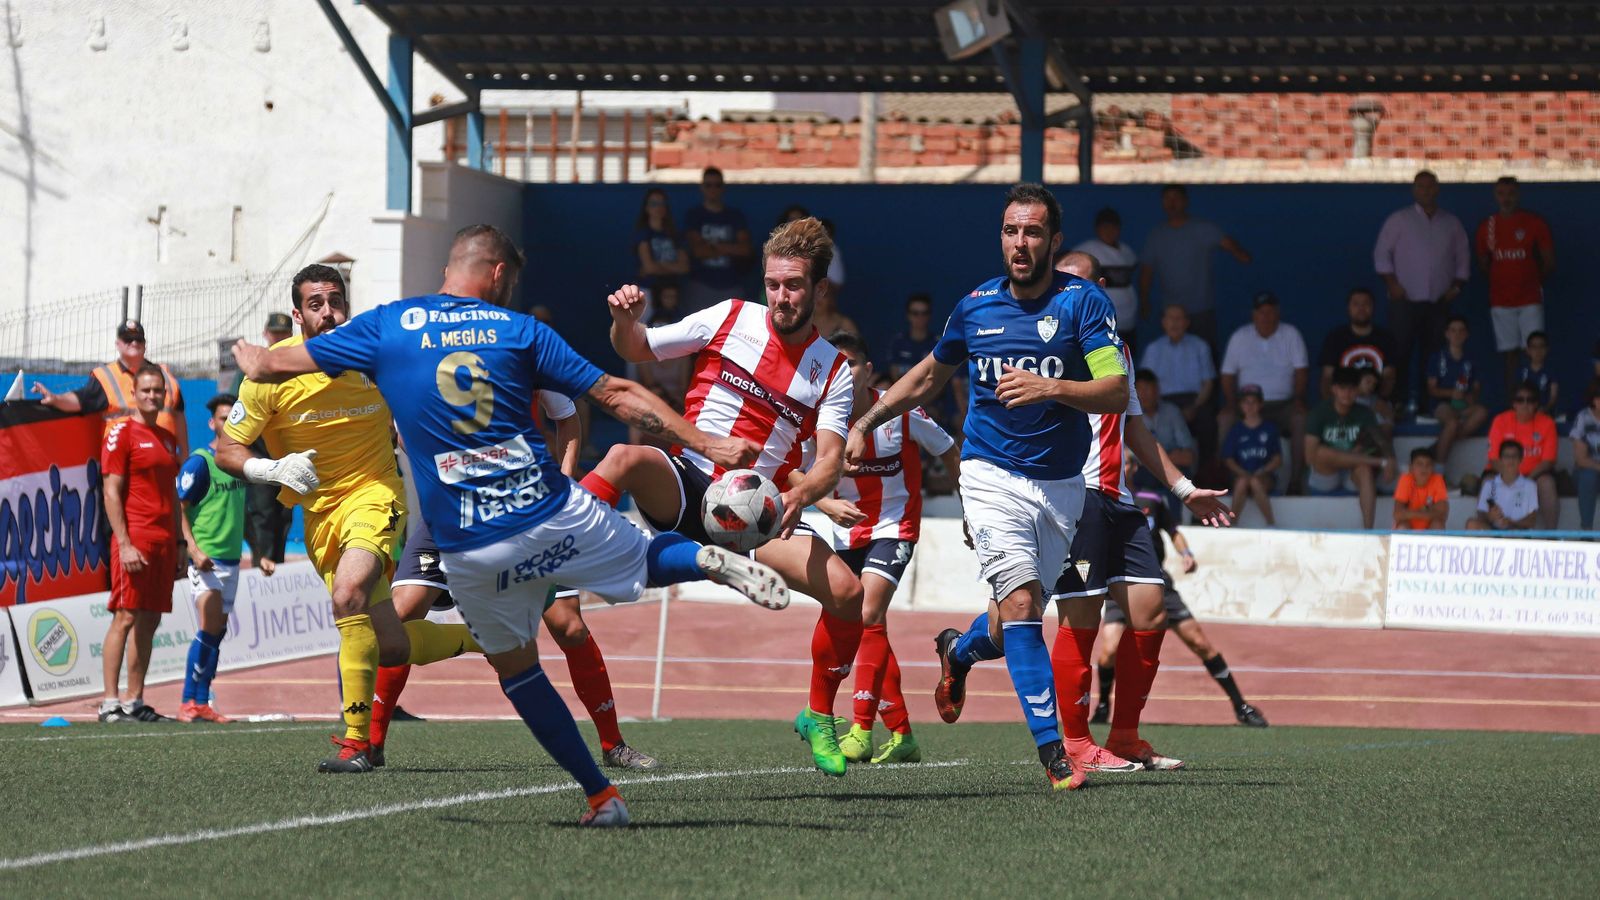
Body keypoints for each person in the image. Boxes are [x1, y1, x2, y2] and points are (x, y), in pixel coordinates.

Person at [234, 224, 788, 827]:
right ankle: (702, 560)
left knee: (520, 673)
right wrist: (704, 440)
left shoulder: (388, 326)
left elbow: (274, 365)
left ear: (452, 267)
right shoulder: (521, 330)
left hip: (470, 544)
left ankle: (601, 798)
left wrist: (256, 359)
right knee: (644, 560)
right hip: (547, 508)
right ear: (499, 275)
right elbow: (617, 394)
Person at [845, 184, 1131, 791]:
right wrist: (869, 419)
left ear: (1054, 241)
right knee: (1025, 606)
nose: (1019, 244)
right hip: (989, 473)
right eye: (1010, 231)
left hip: (1060, 486)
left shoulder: (1084, 303)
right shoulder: (974, 306)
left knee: (1010, 623)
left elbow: (1116, 392)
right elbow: (929, 374)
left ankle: (959, 650)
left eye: (1031, 233)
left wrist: (1051, 387)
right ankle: (1055, 755)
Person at [596, 216, 865, 777]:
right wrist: (625, 321)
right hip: (689, 482)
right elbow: (639, 347)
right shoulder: (729, 316)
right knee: (627, 458)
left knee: (847, 592)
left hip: (759, 514)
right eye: (773, 284)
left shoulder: (833, 370)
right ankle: (557, 539)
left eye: (794, 286)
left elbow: (830, 460)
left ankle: (819, 714)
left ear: (818, 289)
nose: (781, 297)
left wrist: (803, 496)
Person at [217, 264, 484, 774]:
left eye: (335, 301)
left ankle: (356, 742)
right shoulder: (270, 375)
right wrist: (270, 467)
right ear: (298, 315)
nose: (327, 312)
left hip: (376, 495)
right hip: (319, 516)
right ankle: (484, 638)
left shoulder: (376, 358)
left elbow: (418, 414)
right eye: (315, 304)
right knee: (393, 641)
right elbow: (227, 448)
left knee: (348, 596)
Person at [371, 391, 661, 771]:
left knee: (569, 627)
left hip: (525, 510)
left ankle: (613, 744)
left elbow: (568, 420)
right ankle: (370, 743)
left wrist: (564, 481)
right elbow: (405, 431)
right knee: (402, 616)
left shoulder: (524, 348)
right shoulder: (435, 355)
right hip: (454, 510)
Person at [811, 332, 960, 767]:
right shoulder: (819, 422)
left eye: (851, 365)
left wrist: (971, 508)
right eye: (835, 365)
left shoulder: (901, 413)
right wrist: (824, 502)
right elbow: (796, 475)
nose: (844, 372)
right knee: (859, 628)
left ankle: (861, 729)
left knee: (867, 614)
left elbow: (951, 451)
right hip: (846, 533)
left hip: (896, 528)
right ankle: (902, 732)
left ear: (868, 371)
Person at [1089, 464, 1266, 730]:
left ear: (1134, 467)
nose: (1122, 467)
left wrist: (1186, 553)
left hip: (1157, 584)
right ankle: (1103, 706)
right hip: (1118, 585)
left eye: (1126, 462)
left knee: (1200, 643)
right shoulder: (1100, 499)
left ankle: (1241, 705)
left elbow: (1173, 532)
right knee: (1108, 652)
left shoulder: (1153, 500)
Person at [97, 364, 181, 723]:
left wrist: (180, 544)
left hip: (164, 543)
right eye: (145, 391)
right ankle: (110, 702)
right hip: (135, 539)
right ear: (134, 393)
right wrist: (125, 542)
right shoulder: (120, 434)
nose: (151, 397)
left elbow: (175, 497)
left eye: (157, 391)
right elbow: (111, 492)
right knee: (125, 616)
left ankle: (135, 699)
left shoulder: (168, 439)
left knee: (149, 621)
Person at [176, 393, 253, 723]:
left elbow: (240, 512)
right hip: (205, 559)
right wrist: (193, 549)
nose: (228, 423)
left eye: (234, 417)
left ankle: (202, 699)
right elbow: (179, 507)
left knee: (217, 632)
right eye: (223, 418)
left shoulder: (239, 460)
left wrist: (258, 552)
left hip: (232, 559)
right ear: (212, 422)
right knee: (208, 628)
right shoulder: (200, 462)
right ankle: (188, 701)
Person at [1374, 170, 1471, 410]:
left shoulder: (1452, 223)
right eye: (1421, 187)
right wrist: (1392, 285)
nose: (1426, 191)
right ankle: (1397, 403)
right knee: (1400, 354)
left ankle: (1430, 406)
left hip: (1438, 302)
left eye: (1430, 186)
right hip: (1404, 300)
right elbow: (1381, 255)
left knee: (1434, 357)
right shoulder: (1399, 220)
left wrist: (1456, 288)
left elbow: (1463, 260)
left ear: (1437, 189)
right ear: (1413, 190)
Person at [33, 319, 188, 454]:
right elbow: (81, 400)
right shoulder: (106, 377)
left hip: (163, 458)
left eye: (138, 339)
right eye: (128, 339)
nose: (134, 343)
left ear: (145, 345)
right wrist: (55, 398)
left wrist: (184, 455)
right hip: (124, 463)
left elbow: (178, 416)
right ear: (118, 344)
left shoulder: (165, 375)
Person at [1137, 184, 1251, 348]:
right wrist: (1144, 300)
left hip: (1201, 310)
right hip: (1171, 311)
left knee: (1206, 357)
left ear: (1185, 201)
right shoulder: (1157, 235)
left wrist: (1240, 254)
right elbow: (1146, 271)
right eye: (1167, 199)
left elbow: (1227, 243)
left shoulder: (1203, 228)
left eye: (1176, 198)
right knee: (1173, 358)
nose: (1172, 203)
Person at [1218, 292, 1308, 491]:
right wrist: (1232, 403)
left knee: (1300, 418)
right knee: (1225, 418)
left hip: (1282, 403)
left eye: (1270, 311)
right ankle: (1225, 481)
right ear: (1254, 314)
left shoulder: (1290, 334)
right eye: (1261, 312)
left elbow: (1301, 371)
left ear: (1278, 313)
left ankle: (1295, 481)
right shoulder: (1240, 337)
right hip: (1247, 404)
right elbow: (1227, 374)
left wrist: (1299, 399)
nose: (1266, 316)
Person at [1476, 176, 1555, 392]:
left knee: (1535, 351)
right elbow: (1484, 264)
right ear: (1495, 196)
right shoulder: (1487, 227)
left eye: (1510, 193)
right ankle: (1514, 402)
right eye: (1501, 193)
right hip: (1501, 301)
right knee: (1509, 354)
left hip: (1530, 299)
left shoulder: (1534, 223)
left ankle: (1538, 400)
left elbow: (1549, 262)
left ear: (1518, 195)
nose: (1506, 198)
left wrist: (1531, 282)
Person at [235, 313, 294, 575]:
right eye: (275, 333)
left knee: (283, 517)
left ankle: (277, 571)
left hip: (289, 457)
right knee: (262, 517)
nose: (278, 338)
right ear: (265, 334)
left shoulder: (298, 364)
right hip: (261, 457)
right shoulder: (251, 367)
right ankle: (263, 570)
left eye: (284, 333)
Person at [1305, 367, 1396, 529]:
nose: (1347, 394)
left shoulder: (1364, 412)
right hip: (1326, 476)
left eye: (1352, 389)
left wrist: (1389, 459)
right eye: (1342, 389)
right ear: (1334, 390)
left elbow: (1380, 440)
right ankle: (1376, 461)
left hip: (1351, 475)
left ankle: (1368, 530)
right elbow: (1309, 456)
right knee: (1321, 452)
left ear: (1357, 390)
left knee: (1365, 469)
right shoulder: (1319, 413)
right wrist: (1349, 456)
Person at [1139, 303, 1216, 462]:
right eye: (1170, 318)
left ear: (1187, 322)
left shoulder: (1200, 346)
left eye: (1179, 318)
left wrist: (1194, 407)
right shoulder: (1153, 349)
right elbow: (1144, 384)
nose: (1174, 323)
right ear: (1163, 322)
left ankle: (1207, 471)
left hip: (1194, 401)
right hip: (1161, 401)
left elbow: (1208, 382)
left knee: (1207, 420)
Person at [1486, 383, 1560, 529]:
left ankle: (1552, 537)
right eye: (1520, 400)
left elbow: (1548, 461)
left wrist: (1524, 480)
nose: (1525, 404)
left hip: (1535, 474)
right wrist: (1511, 478)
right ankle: (1485, 531)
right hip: (1503, 472)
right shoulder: (1500, 420)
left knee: (1547, 483)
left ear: (1536, 404)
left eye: (1530, 400)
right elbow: (1494, 458)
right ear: (1514, 403)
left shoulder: (1547, 423)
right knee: (1487, 482)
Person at [886, 293, 963, 431]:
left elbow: (940, 383)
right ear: (908, 315)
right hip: (901, 405)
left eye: (924, 313)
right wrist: (909, 407)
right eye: (915, 313)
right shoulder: (898, 342)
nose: (920, 318)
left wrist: (920, 407)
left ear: (930, 315)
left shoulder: (938, 343)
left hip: (933, 408)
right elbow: (894, 378)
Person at [682, 167, 753, 312]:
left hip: (731, 284)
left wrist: (714, 247)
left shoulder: (735, 216)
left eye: (717, 185)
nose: (713, 189)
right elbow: (698, 251)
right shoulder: (694, 215)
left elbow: (745, 250)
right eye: (708, 185)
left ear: (723, 188)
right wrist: (730, 248)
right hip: (701, 285)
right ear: (702, 188)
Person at [1318, 287, 1398, 410]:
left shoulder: (1385, 339)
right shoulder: (1335, 338)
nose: (1361, 308)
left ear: (1373, 308)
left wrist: (1381, 400)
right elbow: (1327, 377)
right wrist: (1330, 406)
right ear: (1348, 308)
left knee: (1385, 423)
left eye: (1366, 304)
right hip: (1341, 400)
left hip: (1375, 400)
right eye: (1356, 304)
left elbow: (1389, 377)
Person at [1070, 207, 1138, 349]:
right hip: (1101, 318)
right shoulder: (1086, 250)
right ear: (1097, 229)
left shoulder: (1127, 251)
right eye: (1104, 227)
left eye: (1113, 227)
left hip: (1128, 317)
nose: (1109, 231)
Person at [1426, 316, 1489, 467]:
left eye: (1461, 331)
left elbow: (1476, 389)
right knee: (1452, 423)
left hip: (1463, 406)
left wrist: (1470, 397)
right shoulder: (1437, 357)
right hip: (1443, 405)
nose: (1457, 334)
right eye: (1453, 330)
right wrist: (1451, 394)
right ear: (1447, 334)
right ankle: (1440, 470)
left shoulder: (1472, 359)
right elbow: (1431, 389)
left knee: (1482, 412)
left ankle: (1440, 445)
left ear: (1466, 334)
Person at [1221, 384, 1281, 526]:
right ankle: (1232, 524)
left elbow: (1277, 459)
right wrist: (1242, 472)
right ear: (1241, 406)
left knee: (1255, 482)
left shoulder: (1269, 428)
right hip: (1241, 475)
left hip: (1264, 476)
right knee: (1243, 481)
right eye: (1246, 402)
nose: (1250, 406)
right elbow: (1228, 459)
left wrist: (1262, 471)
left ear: (1260, 404)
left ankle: (1271, 524)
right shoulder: (1236, 430)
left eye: (1253, 402)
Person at [632, 187, 690, 300]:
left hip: (672, 292)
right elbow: (649, 268)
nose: (659, 207)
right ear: (646, 207)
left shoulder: (675, 234)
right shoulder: (643, 234)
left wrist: (659, 265)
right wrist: (673, 267)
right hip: (647, 291)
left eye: (662, 203)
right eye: (654, 203)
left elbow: (684, 267)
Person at [1467, 440, 1538, 531]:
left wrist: (1511, 522)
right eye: (1506, 456)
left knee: (1514, 531)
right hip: (1493, 530)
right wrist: (1490, 517)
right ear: (1500, 459)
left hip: (1517, 531)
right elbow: (1481, 514)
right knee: (1471, 524)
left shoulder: (1530, 485)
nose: (1510, 460)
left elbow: (1532, 520)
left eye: (1514, 456)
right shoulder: (1489, 484)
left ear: (1521, 459)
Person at [1392, 446, 1449, 531]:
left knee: (1438, 525)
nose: (1424, 468)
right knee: (1402, 526)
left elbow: (1442, 513)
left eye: (1428, 464)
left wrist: (1409, 512)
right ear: (1411, 468)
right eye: (1419, 464)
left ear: (1433, 468)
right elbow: (1397, 514)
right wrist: (1428, 512)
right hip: (1409, 526)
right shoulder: (1405, 479)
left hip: (1429, 527)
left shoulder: (1437, 479)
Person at [1568, 380, 1600, 530]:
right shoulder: (1583, 417)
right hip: (1587, 471)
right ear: (1593, 399)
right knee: (1589, 476)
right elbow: (1581, 460)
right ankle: (1586, 532)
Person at [1515, 331, 1559, 418]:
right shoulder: (1522, 370)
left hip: (1543, 412)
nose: (1538, 351)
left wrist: (1545, 408)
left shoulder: (1551, 371)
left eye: (1541, 346)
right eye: (1534, 347)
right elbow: (1516, 393)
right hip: (1524, 411)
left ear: (1547, 349)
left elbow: (1553, 396)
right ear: (1527, 350)